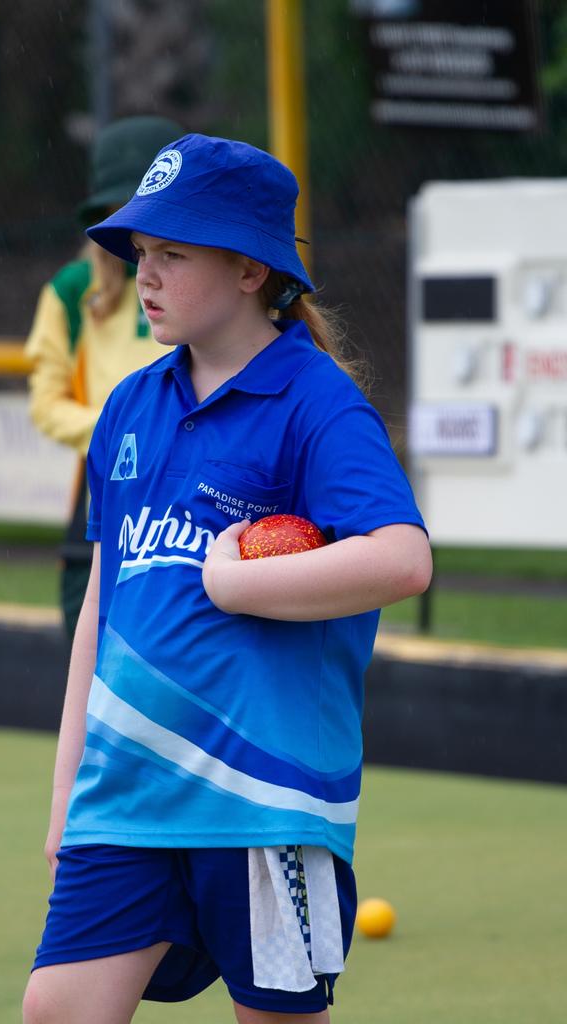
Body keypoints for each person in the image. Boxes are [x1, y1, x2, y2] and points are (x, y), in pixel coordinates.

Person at [22, 134, 432, 1024]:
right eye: (141, 254)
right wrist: (65, 797)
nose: (146, 276)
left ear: (251, 270)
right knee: (54, 1012)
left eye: (173, 254)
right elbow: (102, 606)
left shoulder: (317, 402)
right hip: (124, 799)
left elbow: (404, 557)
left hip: (261, 808)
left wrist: (237, 584)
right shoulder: (129, 406)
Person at [24, 115, 183, 639]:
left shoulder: (207, 287)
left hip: (192, 501)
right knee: (88, 670)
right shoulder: (72, 290)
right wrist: (128, 436)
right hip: (102, 501)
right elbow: (46, 405)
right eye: (126, 209)